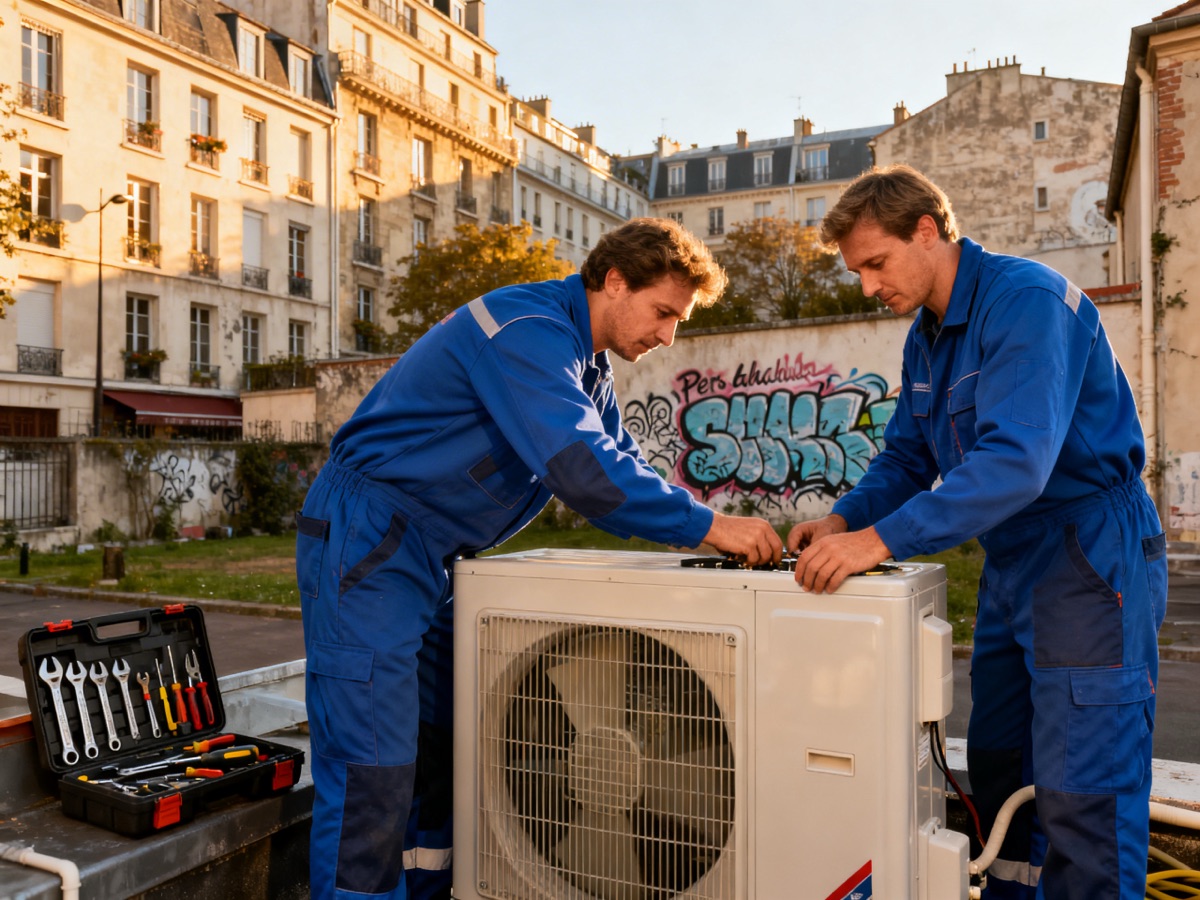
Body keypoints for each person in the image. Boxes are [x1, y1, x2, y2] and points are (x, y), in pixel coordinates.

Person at [296, 217, 784, 900]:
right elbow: (582, 470)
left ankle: (425, 888)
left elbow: (620, 470)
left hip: (438, 557)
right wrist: (712, 527)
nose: (669, 335)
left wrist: (702, 536)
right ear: (615, 281)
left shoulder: (588, 366)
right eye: (665, 312)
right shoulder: (525, 329)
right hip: (372, 539)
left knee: (439, 747)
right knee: (371, 764)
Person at [788, 165, 1166, 899]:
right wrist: (841, 520)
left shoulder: (1025, 303)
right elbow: (907, 455)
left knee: (1085, 786)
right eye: (858, 270)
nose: (868, 286)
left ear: (927, 232)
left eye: (876, 263)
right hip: (1013, 557)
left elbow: (1013, 464)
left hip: (1088, 556)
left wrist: (878, 543)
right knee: (1000, 761)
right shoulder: (927, 336)